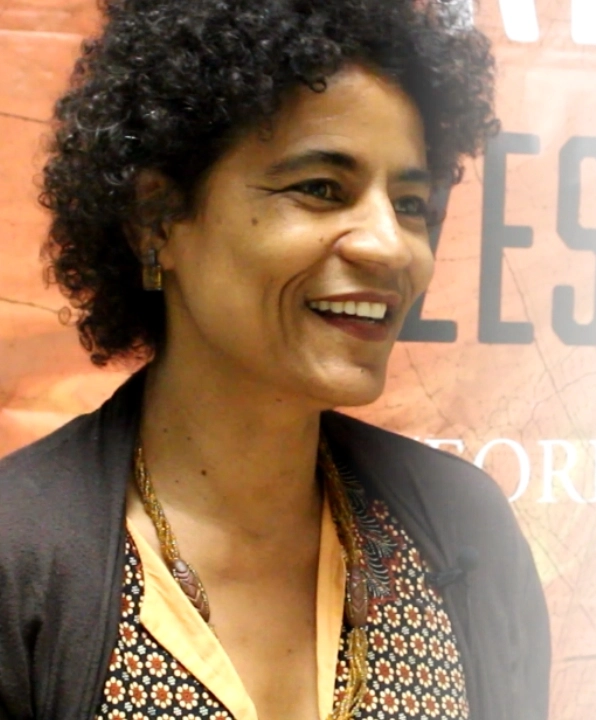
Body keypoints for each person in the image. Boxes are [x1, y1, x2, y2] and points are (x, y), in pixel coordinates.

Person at [0, 1, 550, 719]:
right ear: (156, 220)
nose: (390, 245)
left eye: (412, 204)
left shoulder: (462, 531)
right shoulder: (20, 558)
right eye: (321, 189)